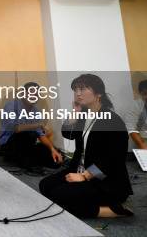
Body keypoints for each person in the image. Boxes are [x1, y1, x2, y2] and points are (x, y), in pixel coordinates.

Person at [39, 74, 133, 218]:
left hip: (105, 179)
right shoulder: (84, 114)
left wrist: (84, 176)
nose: (77, 93)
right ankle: (82, 201)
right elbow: (68, 134)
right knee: (45, 185)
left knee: (60, 195)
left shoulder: (113, 121)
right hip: (79, 170)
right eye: (75, 89)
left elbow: (113, 159)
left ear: (99, 93)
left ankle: (115, 210)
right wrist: (75, 112)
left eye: (82, 89)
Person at [0, 82, 63, 172]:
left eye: (36, 94)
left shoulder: (36, 111)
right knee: (25, 135)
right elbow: (16, 128)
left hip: (28, 145)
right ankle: (28, 162)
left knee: (49, 151)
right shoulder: (11, 106)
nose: (33, 96)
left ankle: (33, 161)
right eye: (31, 93)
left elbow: (41, 135)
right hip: (9, 144)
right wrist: (38, 124)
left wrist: (52, 149)